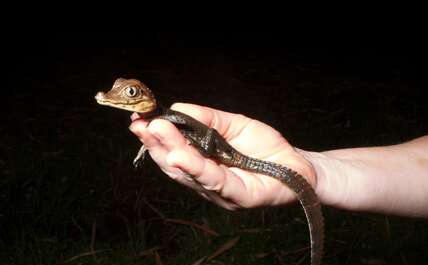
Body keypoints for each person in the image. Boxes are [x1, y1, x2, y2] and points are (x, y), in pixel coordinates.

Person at [129, 103, 428, 218]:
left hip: (220, 150)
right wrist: (317, 172)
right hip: (225, 150)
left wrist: (205, 146)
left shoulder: (166, 116)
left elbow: (208, 140)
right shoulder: (162, 118)